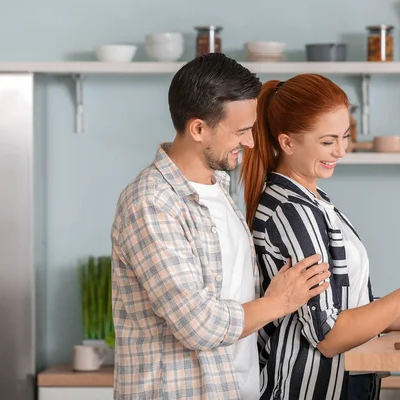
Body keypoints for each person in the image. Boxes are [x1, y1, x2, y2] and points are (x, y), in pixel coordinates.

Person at [240, 74, 400, 400]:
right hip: (310, 390)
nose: (341, 151)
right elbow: (329, 335)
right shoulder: (292, 213)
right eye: (328, 142)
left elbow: (355, 310)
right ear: (287, 143)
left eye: (344, 136)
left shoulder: (317, 204)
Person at [110, 54, 331, 400]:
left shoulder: (220, 189)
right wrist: (281, 301)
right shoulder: (151, 203)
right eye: (241, 131)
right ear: (198, 129)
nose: (251, 143)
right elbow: (198, 325)